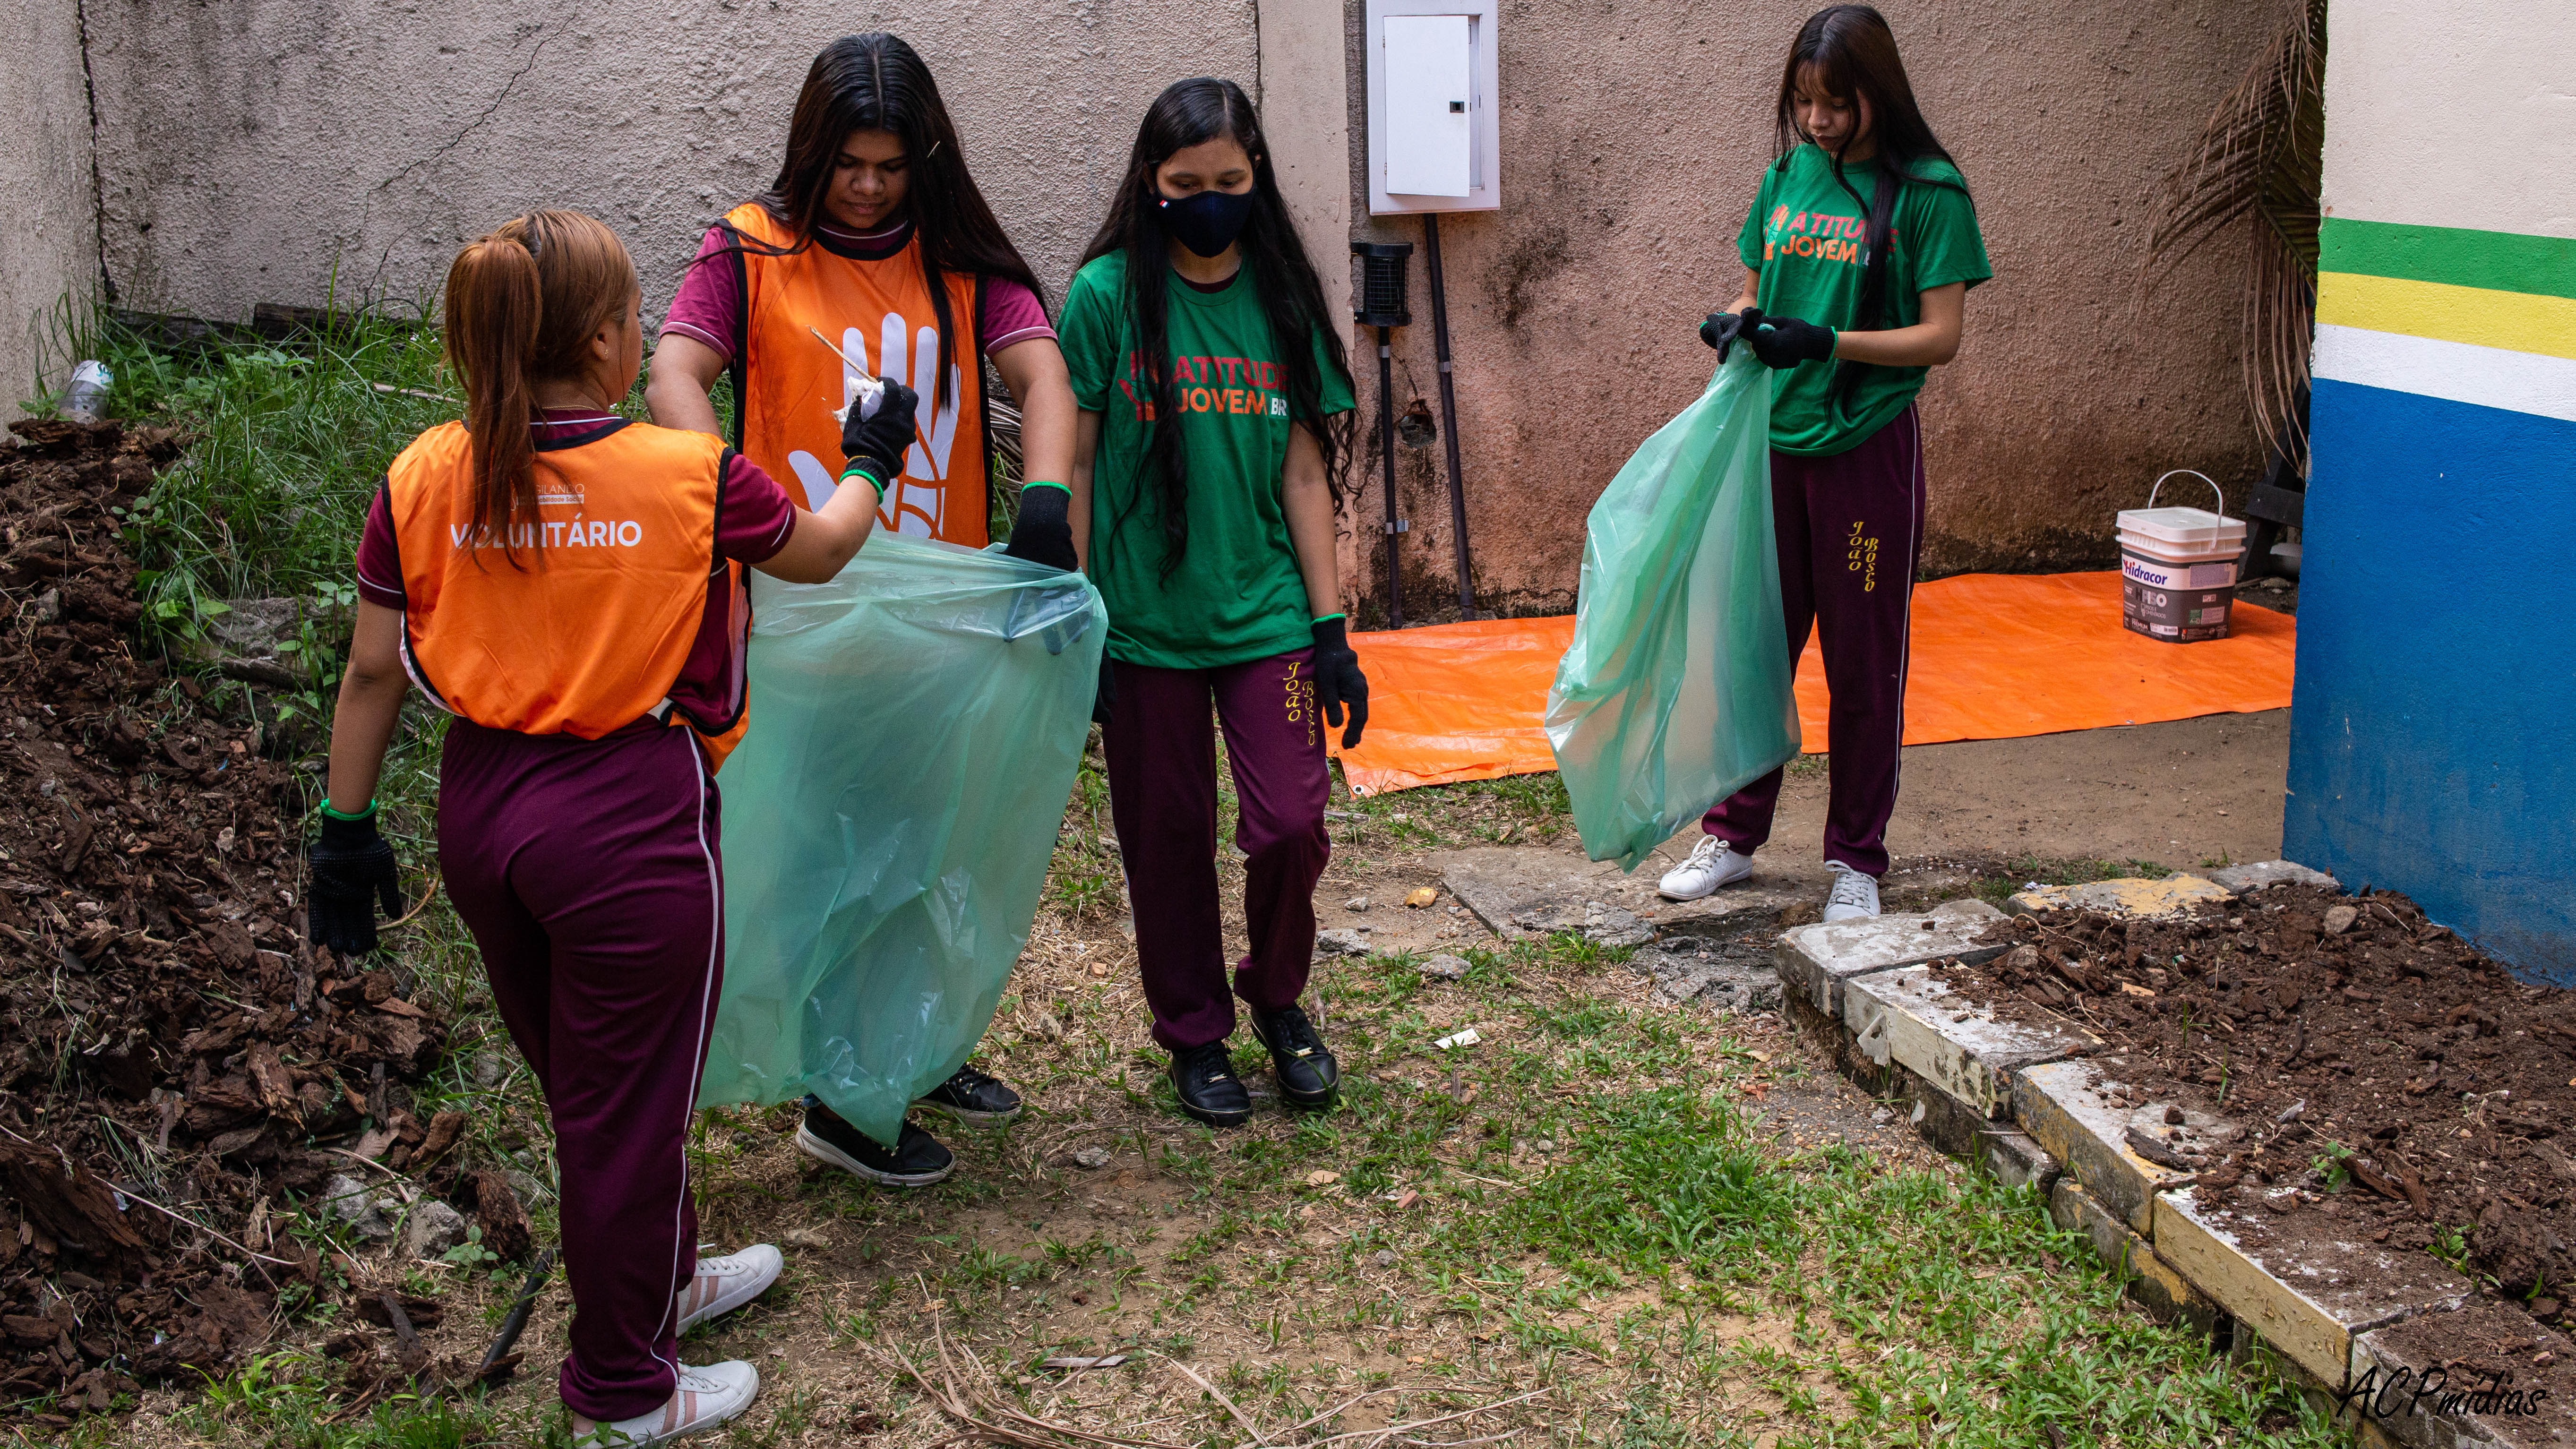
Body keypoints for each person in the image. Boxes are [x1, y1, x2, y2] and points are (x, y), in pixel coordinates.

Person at [306, 209, 913, 1445]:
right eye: (638, 318)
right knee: (623, 1114)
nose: (647, 337)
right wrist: (870, 457)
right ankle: (622, 1389)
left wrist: (343, 829)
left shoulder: (424, 477)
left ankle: (659, 1282)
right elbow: (821, 552)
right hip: (626, 823)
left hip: (482, 817)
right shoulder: (684, 476)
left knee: (593, 1096)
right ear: (597, 340)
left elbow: (371, 673)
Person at [645, 32, 1078, 1186]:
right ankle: (839, 1101)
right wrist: (717, 487)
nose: (870, 187)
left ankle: (906, 1048)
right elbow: (674, 370)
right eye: (850, 164)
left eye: (891, 166)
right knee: (837, 848)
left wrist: (1044, 500)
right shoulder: (748, 251)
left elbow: (1040, 373)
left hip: (934, 616)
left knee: (927, 842)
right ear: (812, 151)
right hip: (808, 602)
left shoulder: (959, 258)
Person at [1057, 77, 1364, 1127]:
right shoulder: (1102, 296)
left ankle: (1276, 996)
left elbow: (1305, 477)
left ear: (1256, 178)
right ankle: (1193, 1033)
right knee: (1166, 834)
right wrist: (1080, 615)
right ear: (1151, 184)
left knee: (1289, 823)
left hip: (1266, 614)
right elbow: (1083, 458)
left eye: (1228, 182)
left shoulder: (1279, 294)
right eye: (1185, 184)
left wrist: (1330, 632)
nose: (1208, 201)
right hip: (1143, 622)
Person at [1659, 3, 1990, 922]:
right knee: (1753, 651)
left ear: (1876, 94)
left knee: (1860, 659)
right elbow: (1758, 287)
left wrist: (1830, 341)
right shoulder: (1785, 177)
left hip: (1862, 455)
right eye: (1804, 102)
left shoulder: (1928, 192)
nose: (1818, 122)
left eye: (1836, 104)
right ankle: (1730, 834)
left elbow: (1941, 337)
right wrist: (1735, 322)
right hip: (1772, 447)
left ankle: (1854, 859)